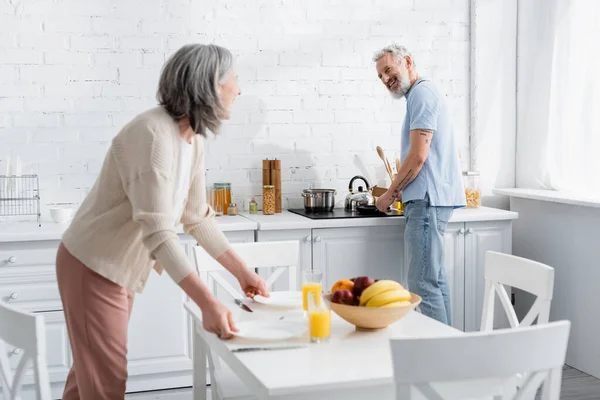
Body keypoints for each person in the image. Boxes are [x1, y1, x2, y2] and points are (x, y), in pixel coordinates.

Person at [55, 44, 269, 399]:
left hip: (116, 268)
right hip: (92, 265)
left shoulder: (193, 139)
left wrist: (242, 271)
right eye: (235, 79)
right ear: (211, 84)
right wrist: (207, 302)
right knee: (105, 383)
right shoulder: (152, 135)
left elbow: (196, 218)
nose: (239, 89)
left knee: (89, 379)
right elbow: (158, 231)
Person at [373, 44, 466, 325]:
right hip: (432, 199)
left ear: (408, 62)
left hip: (427, 201)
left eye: (388, 70)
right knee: (435, 281)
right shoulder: (421, 94)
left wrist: (389, 194)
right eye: (380, 76)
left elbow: (417, 156)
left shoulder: (421, 94)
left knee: (422, 285)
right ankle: (449, 357)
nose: (386, 78)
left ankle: (440, 363)